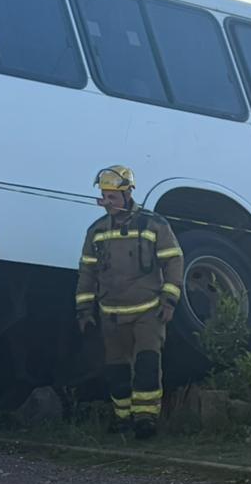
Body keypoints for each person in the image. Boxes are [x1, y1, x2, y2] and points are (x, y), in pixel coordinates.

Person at [75, 165, 184, 439]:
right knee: (116, 370)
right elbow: (87, 272)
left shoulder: (154, 224)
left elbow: (174, 260)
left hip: (148, 312)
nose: (107, 203)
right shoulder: (96, 231)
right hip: (111, 315)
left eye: (112, 196)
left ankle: (146, 420)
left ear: (127, 194)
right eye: (104, 196)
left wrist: (169, 301)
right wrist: (84, 311)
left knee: (147, 366)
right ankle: (122, 419)